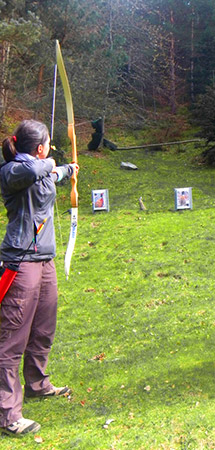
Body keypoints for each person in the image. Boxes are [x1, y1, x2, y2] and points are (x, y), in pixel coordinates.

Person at [0, 119, 79, 436]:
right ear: (40, 147)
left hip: (44, 261)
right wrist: (50, 163)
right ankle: (7, 414)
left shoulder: (41, 168)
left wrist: (69, 170)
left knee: (44, 326)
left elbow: (52, 174)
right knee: (11, 340)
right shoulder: (11, 171)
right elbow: (36, 171)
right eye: (47, 146)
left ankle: (37, 383)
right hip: (20, 263)